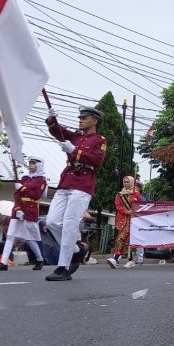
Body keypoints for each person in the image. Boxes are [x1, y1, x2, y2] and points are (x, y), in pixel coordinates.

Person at [44, 105, 107, 281]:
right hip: (66, 181)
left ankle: (63, 267)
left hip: (83, 183)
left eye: (84, 118)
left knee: (70, 223)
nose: (80, 120)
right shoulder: (75, 136)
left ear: (94, 121)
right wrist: (51, 119)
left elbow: (96, 160)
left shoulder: (99, 140)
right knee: (52, 222)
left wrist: (73, 151)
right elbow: (58, 131)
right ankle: (76, 250)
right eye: (79, 118)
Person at [0, 157, 47, 271]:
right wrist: (18, 208)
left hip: (30, 211)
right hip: (18, 210)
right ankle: (3, 263)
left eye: (33, 163)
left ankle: (40, 259)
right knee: (10, 236)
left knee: (30, 238)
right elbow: (17, 195)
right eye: (30, 163)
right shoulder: (24, 178)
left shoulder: (41, 180)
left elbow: (36, 195)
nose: (30, 165)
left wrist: (22, 188)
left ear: (39, 165)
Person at [107, 176, 143, 269]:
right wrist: (126, 211)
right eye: (124, 182)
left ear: (131, 183)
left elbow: (139, 205)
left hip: (132, 220)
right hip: (122, 219)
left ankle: (116, 258)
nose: (125, 184)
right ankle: (129, 260)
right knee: (123, 240)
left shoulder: (136, 194)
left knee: (122, 238)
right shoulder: (120, 194)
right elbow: (118, 206)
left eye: (127, 182)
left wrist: (134, 208)